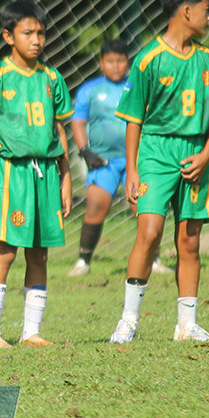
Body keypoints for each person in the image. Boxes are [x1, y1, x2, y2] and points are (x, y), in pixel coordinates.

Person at [108, 0, 209, 344]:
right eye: (205, 10)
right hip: (156, 153)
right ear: (187, 11)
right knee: (149, 233)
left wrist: (207, 153)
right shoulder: (149, 58)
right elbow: (133, 118)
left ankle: (186, 324)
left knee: (190, 240)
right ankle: (129, 320)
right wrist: (132, 169)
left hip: (196, 154)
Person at [0, 0, 74, 349]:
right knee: (7, 249)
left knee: (40, 252)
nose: (37, 40)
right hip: (10, 172)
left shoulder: (52, 78)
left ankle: (31, 332)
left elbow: (60, 130)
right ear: (8, 36)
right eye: (28, 33)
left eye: (41, 33)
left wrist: (66, 177)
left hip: (45, 172)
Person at [68, 38, 174, 277]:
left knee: (143, 207)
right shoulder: (90, 90)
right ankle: (83, 261)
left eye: (120, 61)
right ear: (101, 63)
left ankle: (154, 259)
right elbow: (77, 122)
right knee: (96, 206)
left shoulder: (137, 85)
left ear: (128, 62)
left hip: (136, 160)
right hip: (103, 160)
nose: (115, 66)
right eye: (110, 61)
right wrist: (85, 150)